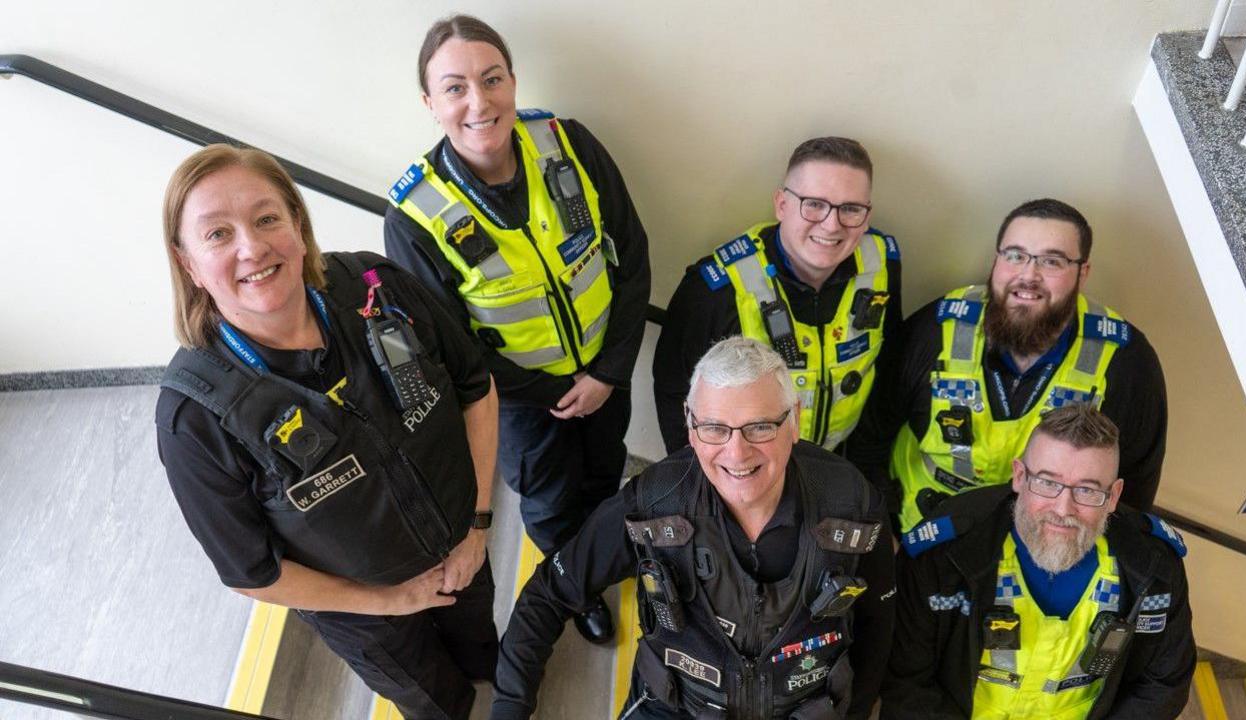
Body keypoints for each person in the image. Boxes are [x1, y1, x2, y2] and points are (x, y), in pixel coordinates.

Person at [154, 145, 499, 720]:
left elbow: (474, 387)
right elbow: (252, 573)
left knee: (484, 651)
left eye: (267, 218)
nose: (252, 248)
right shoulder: (193, 418)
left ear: (297, 221)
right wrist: (389, 601)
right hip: (369, 615)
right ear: (187, 262)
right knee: (440, 703)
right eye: (217, 234)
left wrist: (479, 527)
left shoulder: (375, 285)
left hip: (465, 542)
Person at [383, 13, 651, 644]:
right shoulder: (415, 216)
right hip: (523, 407)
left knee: (604, 474)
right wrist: (552, 393)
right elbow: (449, 349)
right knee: (553, 504)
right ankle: (573, 584)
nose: (479, 102)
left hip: (605, 375)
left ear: (512, 81)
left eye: (492, 78)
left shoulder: (568, 141)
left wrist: (609, 371)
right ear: (430, 103)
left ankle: (606, 550)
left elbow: (631, 254)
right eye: (454, 88)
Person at [492, 337, 895, 720]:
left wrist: (854, 712)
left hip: (803, 707)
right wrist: (510, 709)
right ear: (690, 424)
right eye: (715, 428)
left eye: (760, 427)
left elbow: (878, 625)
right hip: (676, 705)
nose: (737, 453)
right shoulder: (653, 503)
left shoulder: (852, 505)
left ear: (794, 421)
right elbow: (548, 595)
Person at [849, 198, 1167, 531]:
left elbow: (1132, 496)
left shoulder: (1126, 362)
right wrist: (881, 536)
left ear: (1082, 273)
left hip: (1038, 554)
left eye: (1052, 261)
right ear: (996, 260)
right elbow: (869, 441)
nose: (1028, 275)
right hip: (917, 535)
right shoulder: (936, 329)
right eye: (1015, 255)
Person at [882, 405, 1195, 719]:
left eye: (1086, 490)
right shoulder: (943, 555)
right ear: (1019, 476)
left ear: (1113, 496)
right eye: (1047, 482)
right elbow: (907, 682)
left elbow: (1163, 685)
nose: (1062, 509)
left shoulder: (1154, 567)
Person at [653, 137, 902, 456]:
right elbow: (675, 392)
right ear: (782, 205)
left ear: (866, 217)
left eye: (850, 209)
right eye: (814, 204)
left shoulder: (882, 262)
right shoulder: (715, 288)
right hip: (746, 466)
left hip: (834, 461)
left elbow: (889, 364)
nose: (831, 225)